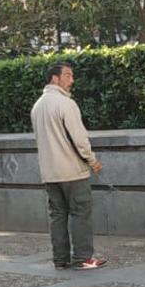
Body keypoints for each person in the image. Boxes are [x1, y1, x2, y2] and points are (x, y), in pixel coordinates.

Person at [30, 62, 106, 270]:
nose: (71, 81)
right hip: (72, 171)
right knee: (81, 214)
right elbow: (80, 139)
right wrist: (93, 161)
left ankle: (60, 259)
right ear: (55, 78)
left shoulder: (37, 106)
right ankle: (83, 258)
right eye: (67, 76)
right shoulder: (66, 104)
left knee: (57, 216)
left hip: (49, 172)